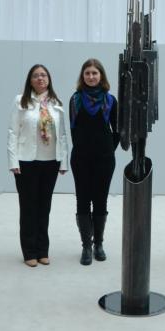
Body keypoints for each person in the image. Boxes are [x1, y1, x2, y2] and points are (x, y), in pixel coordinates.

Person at [8, 64, 68, 267]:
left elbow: (62, 135)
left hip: (50, 161)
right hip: (26, 161)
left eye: (43, 75)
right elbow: (13, 133)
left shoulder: (56, 103)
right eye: (35, 75)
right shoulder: (21, 101)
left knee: (44, 207)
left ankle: (43, 250)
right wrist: (13, 160)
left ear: (49, 79)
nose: (40, 78)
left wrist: (63, 161)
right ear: (30, 80)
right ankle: (29, 251)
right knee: (28, 208)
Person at [69, 58, 119, 266]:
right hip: (81, 159)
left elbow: (116, 130)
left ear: (101, 76)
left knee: (101, 200)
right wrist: (84, 149)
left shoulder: (111, 100)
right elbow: (73, 129)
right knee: (83, 200)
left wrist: (107, 150)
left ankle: (98, 243)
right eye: (87, 73)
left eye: (94, 73)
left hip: (104, 159)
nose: (91, 76)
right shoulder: (76, 99)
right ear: (83, 76)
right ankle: (86, 246)